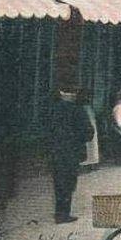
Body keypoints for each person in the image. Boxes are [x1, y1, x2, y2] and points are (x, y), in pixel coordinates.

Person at [48, 87, 94, 224]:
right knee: (68, 183)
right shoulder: (78, 110)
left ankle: (59, 212)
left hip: (55, 151)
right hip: (72, 151)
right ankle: (64, 214)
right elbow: (88, 133)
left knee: (58, 182)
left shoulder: (52, 111)